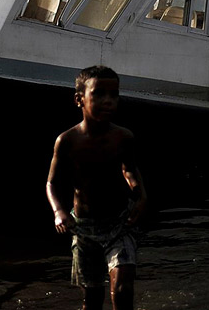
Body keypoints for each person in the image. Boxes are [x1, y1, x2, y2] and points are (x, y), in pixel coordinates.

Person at [46, 65, 147, 310]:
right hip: (84, 227)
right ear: (79, 99)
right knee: (92, 298)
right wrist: (59, 211)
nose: (108, 101)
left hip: (119, 223)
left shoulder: (123, 137)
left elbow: (130, 169)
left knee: (123, 287)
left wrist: (140, 195)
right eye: (99, 94)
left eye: (114, 95)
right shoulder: (68, 141)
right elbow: (52, 183)